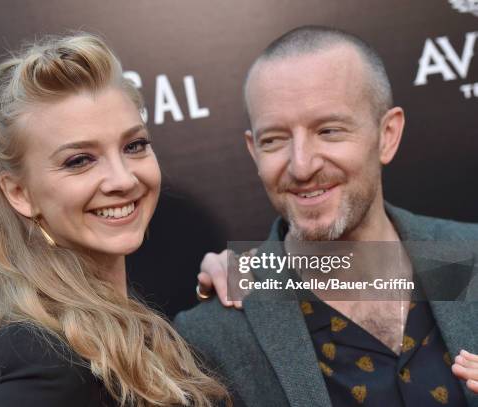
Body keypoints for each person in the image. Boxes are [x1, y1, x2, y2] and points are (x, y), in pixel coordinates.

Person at [175, 26, 478, 406]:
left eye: (329, 130)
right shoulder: (212, 337)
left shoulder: (469, 257)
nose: (301, 166)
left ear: (387, 134)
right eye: (274, 139)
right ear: (254, 152)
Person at [0, 33, 229, 406]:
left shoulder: (125, 329)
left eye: (134, 146)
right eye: (79, 160)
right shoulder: (41, 355)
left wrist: (257, 280)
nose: (123, 179)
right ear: (19, 193)